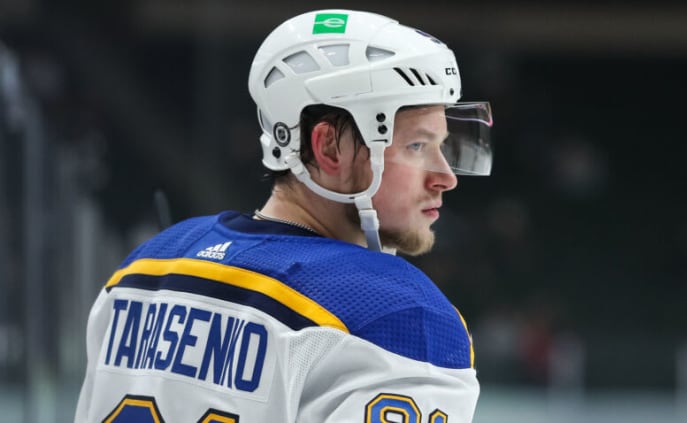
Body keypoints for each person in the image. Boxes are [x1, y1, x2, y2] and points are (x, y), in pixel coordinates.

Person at [75, 9, 493, 422]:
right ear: (329, 148)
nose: (445, 177)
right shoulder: (397, 316)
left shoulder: (146, 268)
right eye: (417, 147)